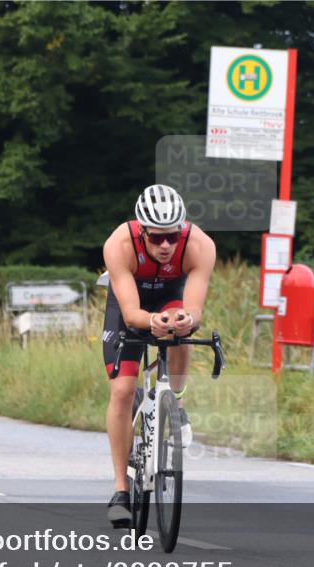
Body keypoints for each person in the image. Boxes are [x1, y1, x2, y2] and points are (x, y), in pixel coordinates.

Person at [101, 184, 216, 527]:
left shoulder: (200, 246)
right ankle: (121, 489)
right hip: (131, 304)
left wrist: (186, 320)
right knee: (122, 391)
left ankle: (176, 404)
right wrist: (151, 321)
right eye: (156, 238)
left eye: (172, 237)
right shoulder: (119, 244)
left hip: (171, 296)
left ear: (182, 231)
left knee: (181, 328)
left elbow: (194, 309)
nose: (165, 246)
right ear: (142, 232)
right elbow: (131, 313)